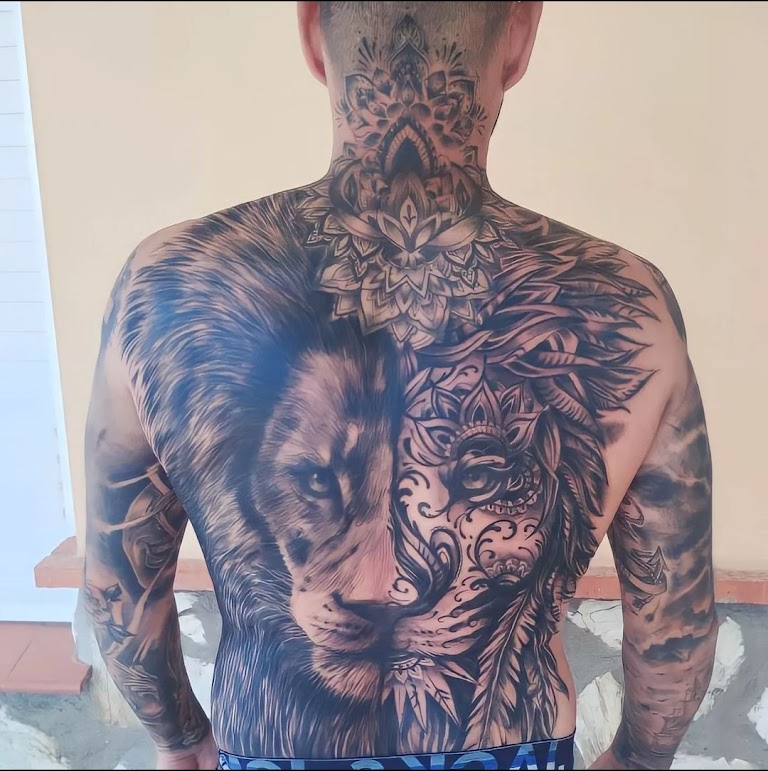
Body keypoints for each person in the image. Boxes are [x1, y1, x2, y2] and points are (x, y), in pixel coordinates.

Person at [83, 2, 717, 769]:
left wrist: (181, 738)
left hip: (270, 746)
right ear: (520, 35)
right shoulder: (625, 304)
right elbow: (673, 621)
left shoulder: (165, 287)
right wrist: (640, 758)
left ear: (312, 32)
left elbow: (119, 591)